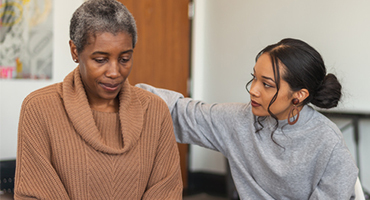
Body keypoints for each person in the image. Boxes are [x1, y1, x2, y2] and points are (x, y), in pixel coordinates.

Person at [137, 38, 359, 199]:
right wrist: (125, 93)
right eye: (254, 78)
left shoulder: (328, 143)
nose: (253, 90)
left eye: (267, 84)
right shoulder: (239, 120)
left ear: (299, 95)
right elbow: (179, 111)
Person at [14, 0, 182, 199]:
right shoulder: (39, 108)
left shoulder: (155, 111)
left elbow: (167, 192)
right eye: (100, 60)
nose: (114, 72)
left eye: (125, 59)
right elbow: (35, 191)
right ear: (75, 51)